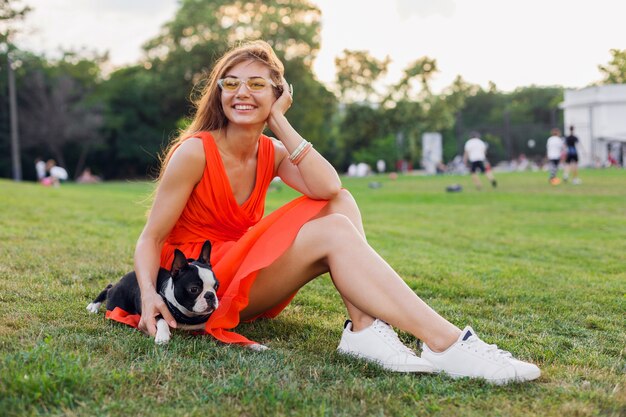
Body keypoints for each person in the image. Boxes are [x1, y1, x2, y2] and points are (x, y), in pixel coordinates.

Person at [127, 40, 539, 384]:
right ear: (219, 92)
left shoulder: (270, 151)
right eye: (231, 83)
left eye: (257, 84)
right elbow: (151, 237)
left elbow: (328, 187)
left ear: (278, 94)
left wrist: (279, 123)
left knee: (340, 204)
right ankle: (447, 344)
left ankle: (364, 330)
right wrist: (148, 297)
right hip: (198, 284)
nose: (242, 93)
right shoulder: (195, 152)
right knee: (335, 230)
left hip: (241, 268)